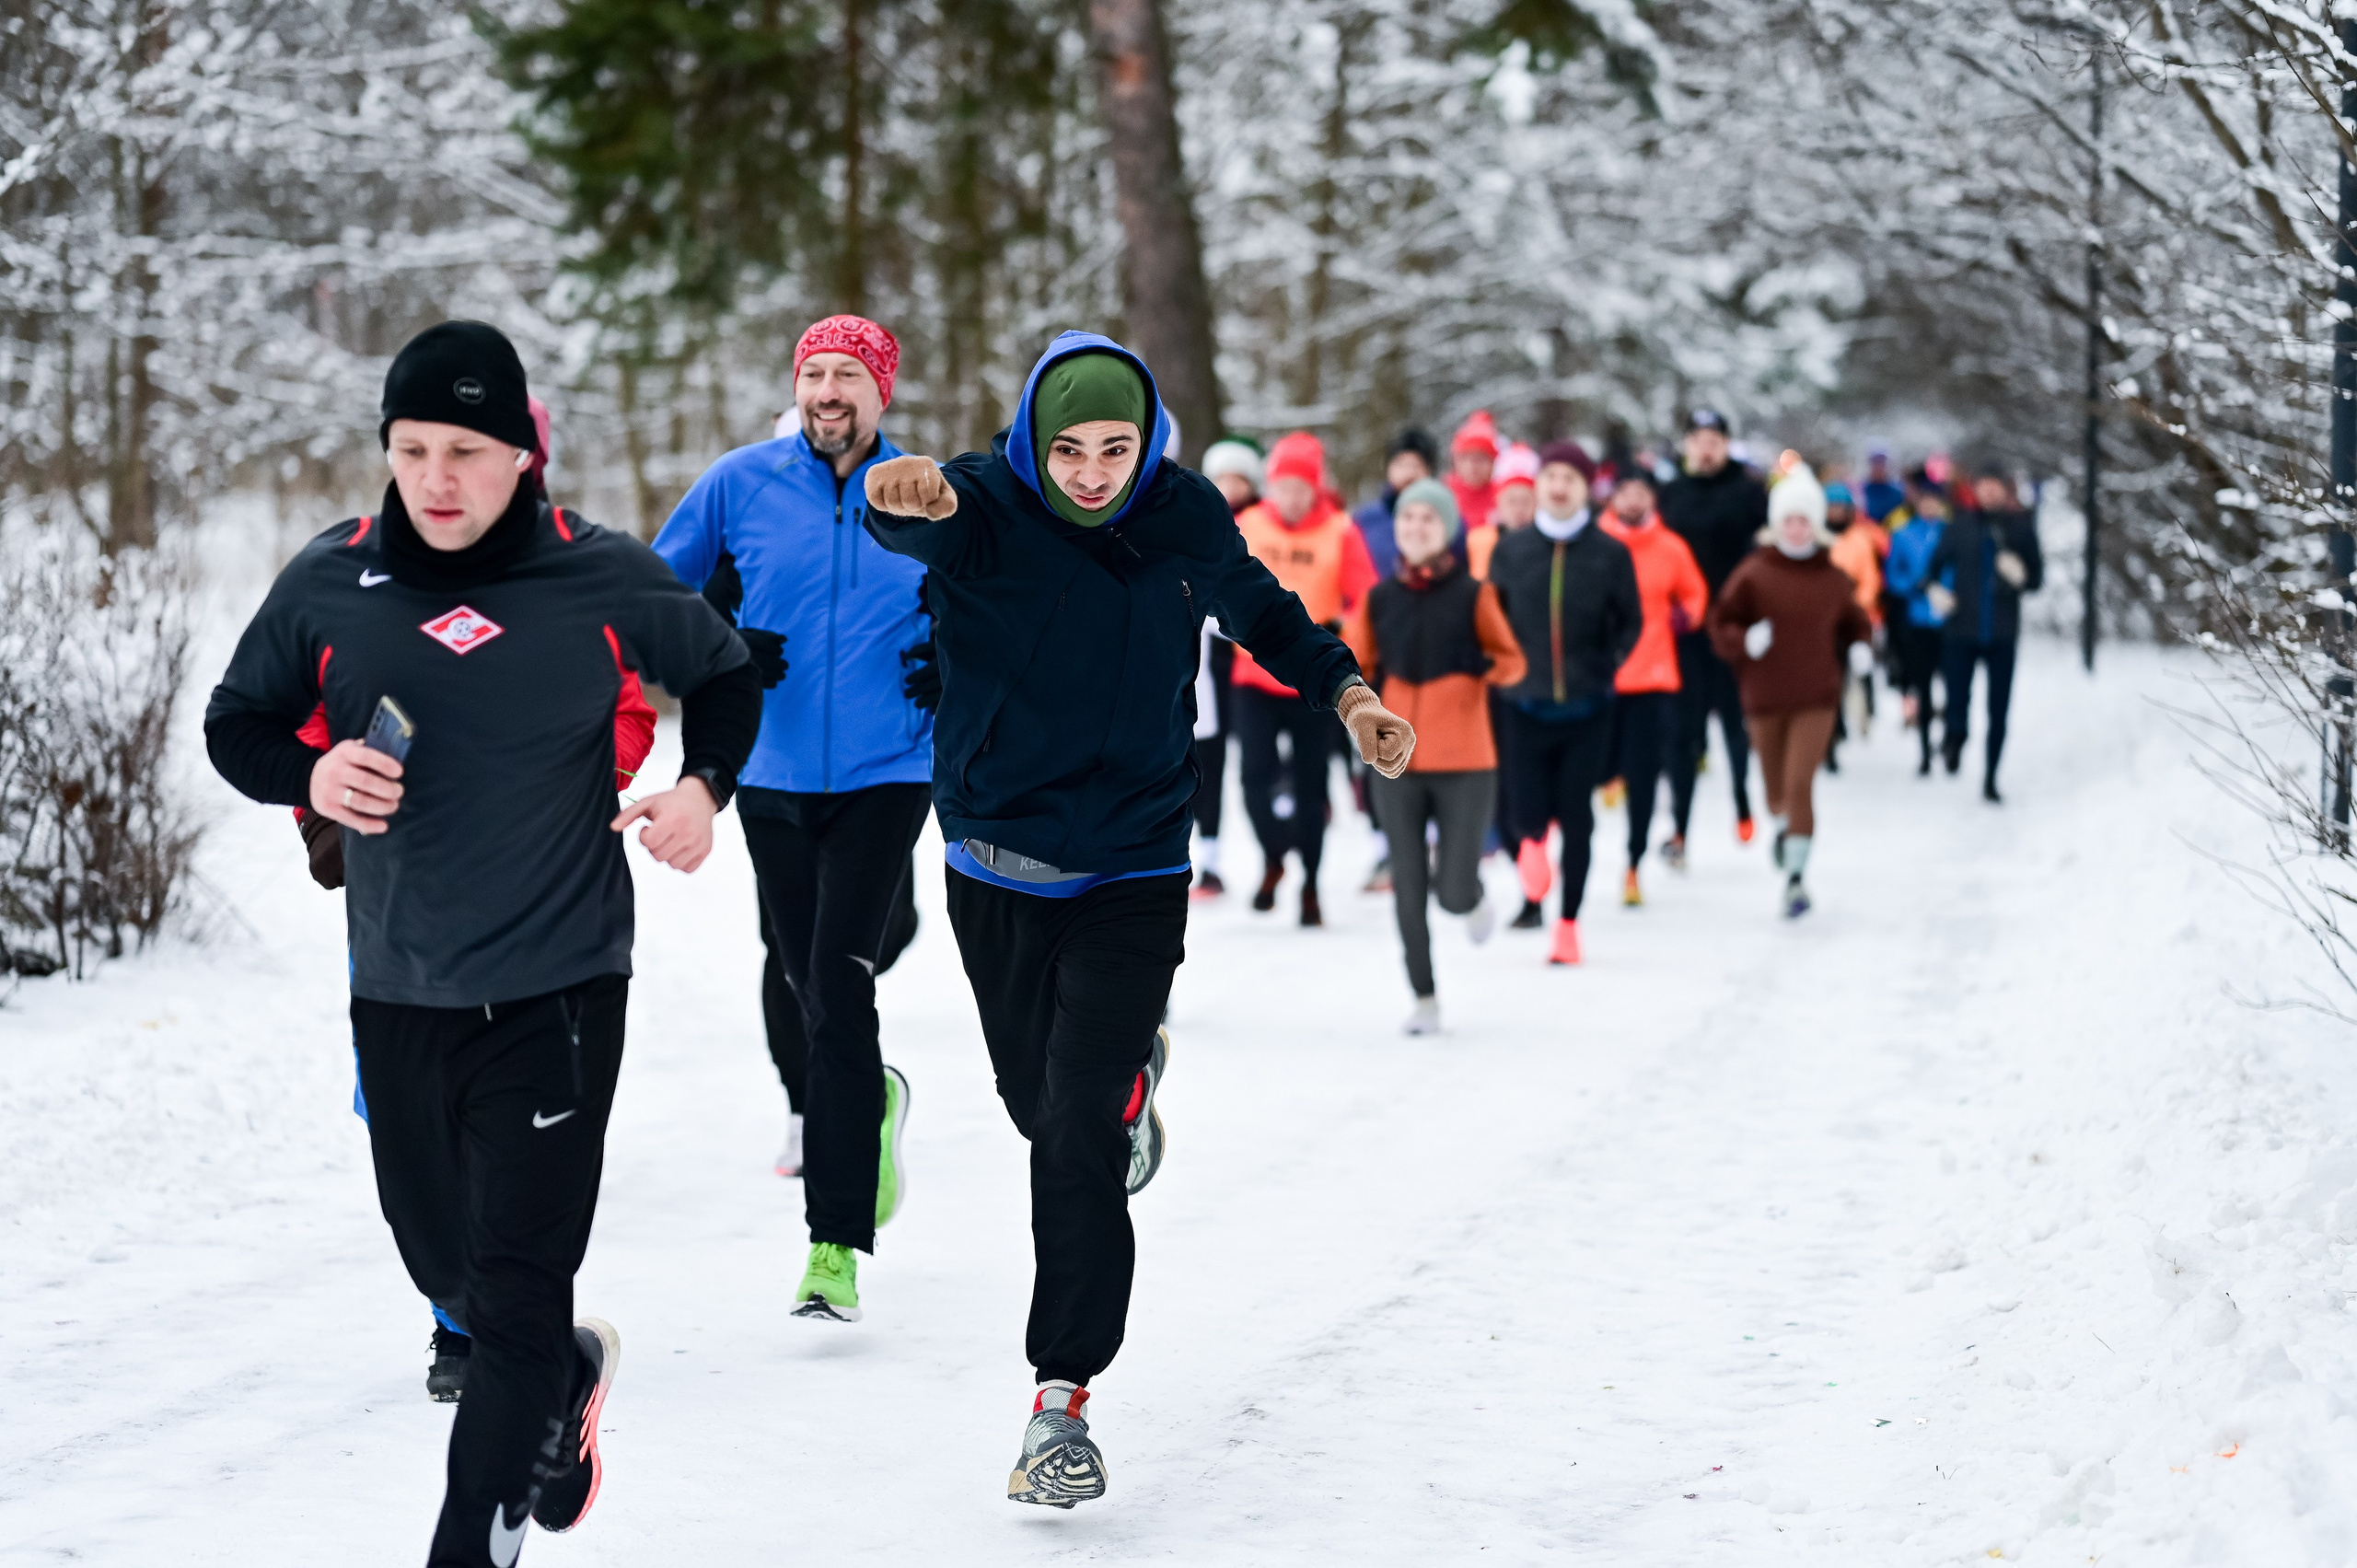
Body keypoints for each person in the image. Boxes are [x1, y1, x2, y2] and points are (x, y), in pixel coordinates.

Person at [205, 320, 761, 1563]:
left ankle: (478, 1528)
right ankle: (560, 1375)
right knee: (437, 1253)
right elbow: (234, 722)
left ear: (521, 452)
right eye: (411, 448)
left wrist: (700, 787)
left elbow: (725, 678)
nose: (437, 476)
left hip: (563, 985)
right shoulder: (330, 580)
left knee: (510, 1291)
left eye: (467, 447)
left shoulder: (601, 577)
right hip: (401, 983)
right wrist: (312, 766)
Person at [859, 329, 1412, 1506]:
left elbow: (1263, 609)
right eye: (1069, 447)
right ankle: (1127, 1089)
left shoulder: (1180, 514)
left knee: (1071, 1137)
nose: (1095, 470)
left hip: (1136, 866)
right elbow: (909, 514)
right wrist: (891, 494)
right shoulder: (983, 501)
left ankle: (1059, 1399)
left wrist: (1348, 692)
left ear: (1149, 439)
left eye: (1118, 446)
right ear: (1031, 440)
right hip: (996, 863)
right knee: (1034, 1106)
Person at [651, 315, 935, 1324]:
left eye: (848, 376)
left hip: (890, 768)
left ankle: (834, 1242)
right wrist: (718, 639)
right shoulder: (739, 482)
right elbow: (653, 589)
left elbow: (994, 601)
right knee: (796, 964)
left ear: (880, 394)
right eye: (813, 372)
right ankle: (870, 1112)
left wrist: (953, 657)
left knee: (838, 978)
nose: (828, 390)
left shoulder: (924, 491)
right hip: (768, 772)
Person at [1342, 478, 1523, 1032]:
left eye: (1427, 519)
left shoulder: (1474, 594)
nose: (1415, 528)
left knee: (1451, 890)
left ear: (1446, 530)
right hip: (1395, 763)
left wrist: (1481, 663)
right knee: (1408, 882)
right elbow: (1354, 665)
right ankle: (1424, 997)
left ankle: (1469, 899)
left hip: (1466, 758)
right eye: (1407, 519)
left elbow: (1511, 661)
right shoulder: (1380, 598)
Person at [1489, 440, 1641, 962]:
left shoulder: (1610, 552)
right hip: (1523, 706)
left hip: (1588, 708)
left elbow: (1632, 619)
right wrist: (1503, 667)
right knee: (1522, 813)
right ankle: (1531, 851)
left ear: (1586, 488)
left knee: (1578, 817)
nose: (1558, 486)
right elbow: (1492, 617)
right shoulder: (1511, 550)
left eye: (1570, 478)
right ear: (1537, 483)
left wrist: (1608, 663)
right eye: (1550, 475)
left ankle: (1568, 925)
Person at [1705, 465, 1873, 918]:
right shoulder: (1754, 573)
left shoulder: (1831, 578)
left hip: (1817, 696)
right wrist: (1744, 641)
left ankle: (1797, 878)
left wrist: (1860, 647)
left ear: (1816, 524)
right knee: (1776, 791)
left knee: (1800, 784)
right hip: (1763, 698)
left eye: (1804, 520)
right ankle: (1783, 828)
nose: (1796, 529)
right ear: (1776, 524)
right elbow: (1721, 623)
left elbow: (1856, 622)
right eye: (1789, 520)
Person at [1230, 430, 1378, 924]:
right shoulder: (1247, 523)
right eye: (1283, 486)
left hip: (1315, 683)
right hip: (1253, 677)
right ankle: (1274, 858)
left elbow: (1365, 598)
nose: (1291, 498)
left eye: (1301, 488)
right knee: (1254, 782)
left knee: (1313, 788)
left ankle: (1312, 886)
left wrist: (1344, 638)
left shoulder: (1340, 530)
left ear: (1316, 489)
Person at [1660, 408, 1769, 844]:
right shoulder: (1670, 493)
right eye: (1698, 440)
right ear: (1687, 445)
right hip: (1684, 629)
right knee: (1683, 732)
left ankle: (1743, 804)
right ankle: (1680, 828)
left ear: (1726, 446)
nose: (1706, 448)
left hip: (1733, 626)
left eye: (1714, 441)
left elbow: (1765, 556)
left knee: (1734, 724)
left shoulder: (1749, 492)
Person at [1598, 468, 1707, 901]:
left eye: (1642, 491)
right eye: (1626, 491)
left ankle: (1633, 863)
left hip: (1654, 674)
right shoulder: (1595, 545)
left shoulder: (1670, 547)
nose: (1634, 500)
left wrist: (1686, 615)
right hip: (1601, 675)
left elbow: (1695, 594)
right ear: (1613, 497)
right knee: (1599, 765)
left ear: (1653, 499)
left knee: (1645, 773)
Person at [1933, 467, 2044, 802]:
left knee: (1998, 710)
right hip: (1960, 631)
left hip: (2002, 634)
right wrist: (1936, 591)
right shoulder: (1960, 525)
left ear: (2006, 491)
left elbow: (2037, 580)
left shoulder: (2020, 528)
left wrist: (2021, 575)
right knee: (1957, 701)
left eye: (1997, 487)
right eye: (1985, 487)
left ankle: (1991, 778)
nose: (1990, 493)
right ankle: (1955, 737)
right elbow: (1932, 569)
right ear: (1975, 490)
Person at [1190, 438, 1264, 897]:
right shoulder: (1195, 520)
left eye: (1237, 478)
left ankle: (1213, 858)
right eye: (1220, 477)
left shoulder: (1259, 526)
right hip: (1194, 655)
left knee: (1215, 764)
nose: (1227, 487)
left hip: (1232, 659)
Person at [1880, 475, 1950, 774]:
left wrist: (1947, 591)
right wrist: (1914, 585)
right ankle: (1924, 751)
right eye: (1926, 500)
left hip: (1948, 620)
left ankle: (1949, 739)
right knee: (1921, 686)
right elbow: (1891, 575)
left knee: (1952, 685)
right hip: (1916, 620)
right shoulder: (1904, 534)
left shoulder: (1950, 533)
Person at [1822, 479, 1887, 772]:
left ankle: (1841, 728)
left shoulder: (1860, 540)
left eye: (1840, 508)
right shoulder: (1816, 539)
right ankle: (1827, 737)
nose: (1835, 513)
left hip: (1849, 622)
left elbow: (1870, 581)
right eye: (1830, 507)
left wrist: (1853, 608)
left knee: (1842, 679)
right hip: (1819, 623)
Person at [1351, 426, 1440, 580]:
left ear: (1429, 471)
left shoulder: (1446, 519)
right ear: (1388, 468)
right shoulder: (1364, 520)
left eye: (1416, 466)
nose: (1409, 473)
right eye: (1401, 465)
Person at [1468, 442, 1538, 580]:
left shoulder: (1549, 544)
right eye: (1511, 501)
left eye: (1525, 501)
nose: (1519, 509)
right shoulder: (1479, 541)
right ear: (1499, 503)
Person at [1447, 410, 1503, 533]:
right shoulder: (1446, 493)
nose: (1472, 466)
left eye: (1480, 459)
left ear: (1493, 462)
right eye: (1465, 458)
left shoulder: (1502, 495)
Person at [1861, 442, 1907, 524]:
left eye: (1881, 462)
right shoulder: (1860, 491)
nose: (1878, 467)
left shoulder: (1898, 493)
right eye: (1875, 462)